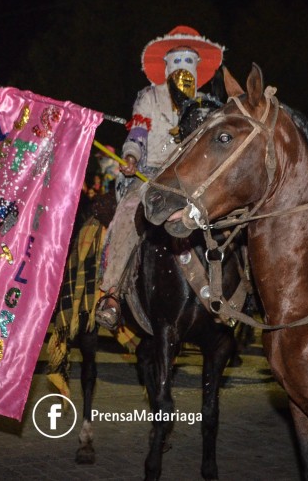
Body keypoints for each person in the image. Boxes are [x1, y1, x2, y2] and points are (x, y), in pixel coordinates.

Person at [95, 25, 224, 330]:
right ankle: (112, 293)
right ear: (166, 67)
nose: (183, 68)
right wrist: (130, 157)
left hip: (191, 179)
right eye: (177, 61)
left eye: (189, 61)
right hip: (150, 175)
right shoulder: (149, 97)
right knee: (129, 211)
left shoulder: (205, 104)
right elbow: (137, 136)